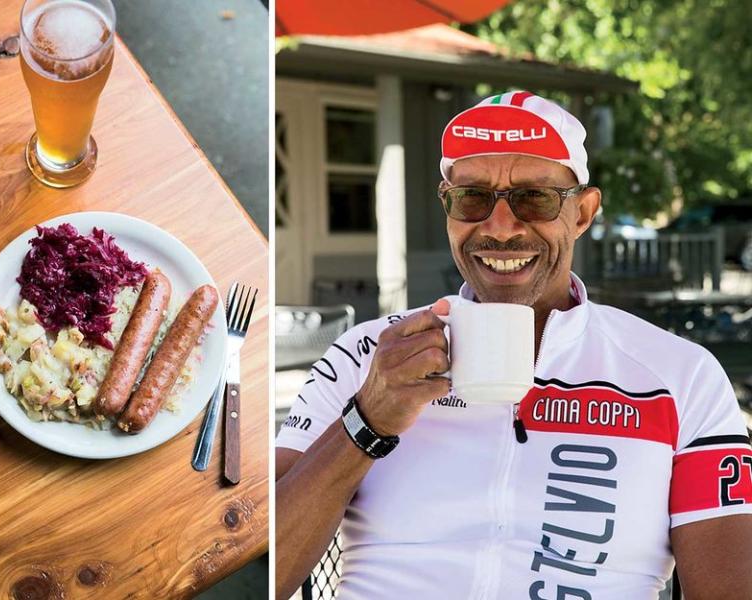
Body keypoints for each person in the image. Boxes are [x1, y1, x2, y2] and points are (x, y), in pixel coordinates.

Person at [275, 91, 752, 600]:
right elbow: (259, 565)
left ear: (583, 213)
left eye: (535, 198)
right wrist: (367, 419)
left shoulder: (681, 375)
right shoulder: (366, 354)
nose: (500, 228)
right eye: (473, 198)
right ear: (447, 207)